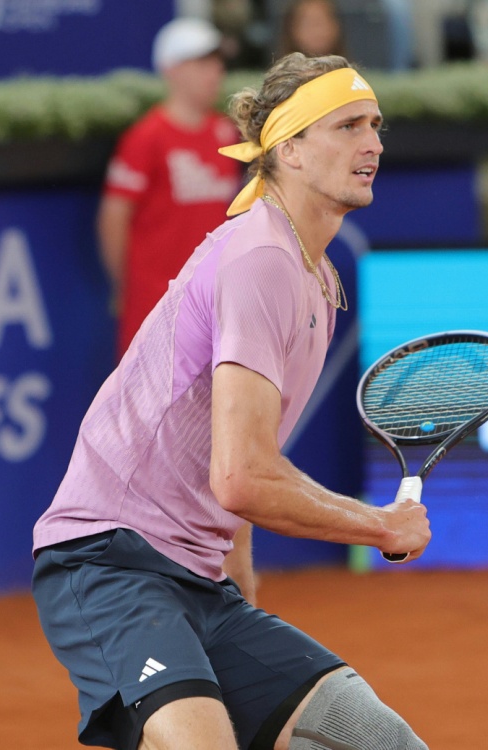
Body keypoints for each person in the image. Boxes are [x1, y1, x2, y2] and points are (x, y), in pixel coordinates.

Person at [32, 52, 432, 750]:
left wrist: (239, 592)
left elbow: (241, 458)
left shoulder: (316, 279)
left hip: (196, 582)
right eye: (346, 126)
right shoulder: (260, 258)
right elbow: (242, 476)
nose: (371, 143)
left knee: (373, 739)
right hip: (109, 561)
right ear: (290, 150)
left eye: (374, 125)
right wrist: (379, 526)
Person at [98, 17, 240, 359]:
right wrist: (128, 286)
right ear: (172, 70)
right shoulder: (146, 138)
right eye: (203, 62)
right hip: (155, 307)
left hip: (214, 305)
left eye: (217, 61)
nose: (216, 71)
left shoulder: (225, 132)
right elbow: (113, 216)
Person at [277, 0, 349, 58]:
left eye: (321, 22)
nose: (316, 30)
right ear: (291, 29)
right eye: (308, 24)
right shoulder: (278, 75)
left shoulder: (353, 75)